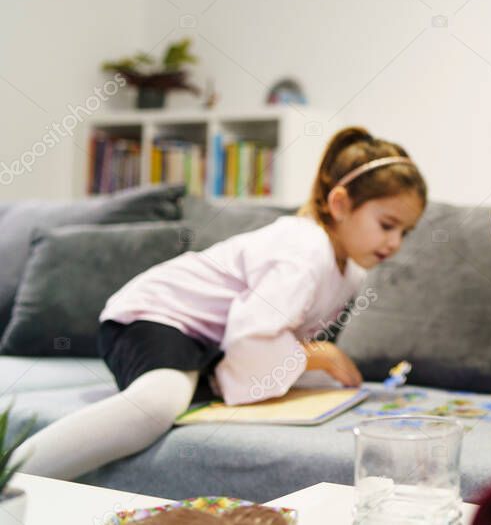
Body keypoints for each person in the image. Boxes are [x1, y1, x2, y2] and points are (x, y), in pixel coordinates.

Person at [14, 126, 426, 480]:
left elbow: (270, 341)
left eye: (405, 232)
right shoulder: (302, 251)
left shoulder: (352, 271)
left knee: (311, 387)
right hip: (154, 316)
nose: (394, 243)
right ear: (340, 205)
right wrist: (317, 355)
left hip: (211, 342)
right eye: (387, 225)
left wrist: (312, 363)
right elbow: (253, 338)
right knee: (159, 402)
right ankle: (13, 478)